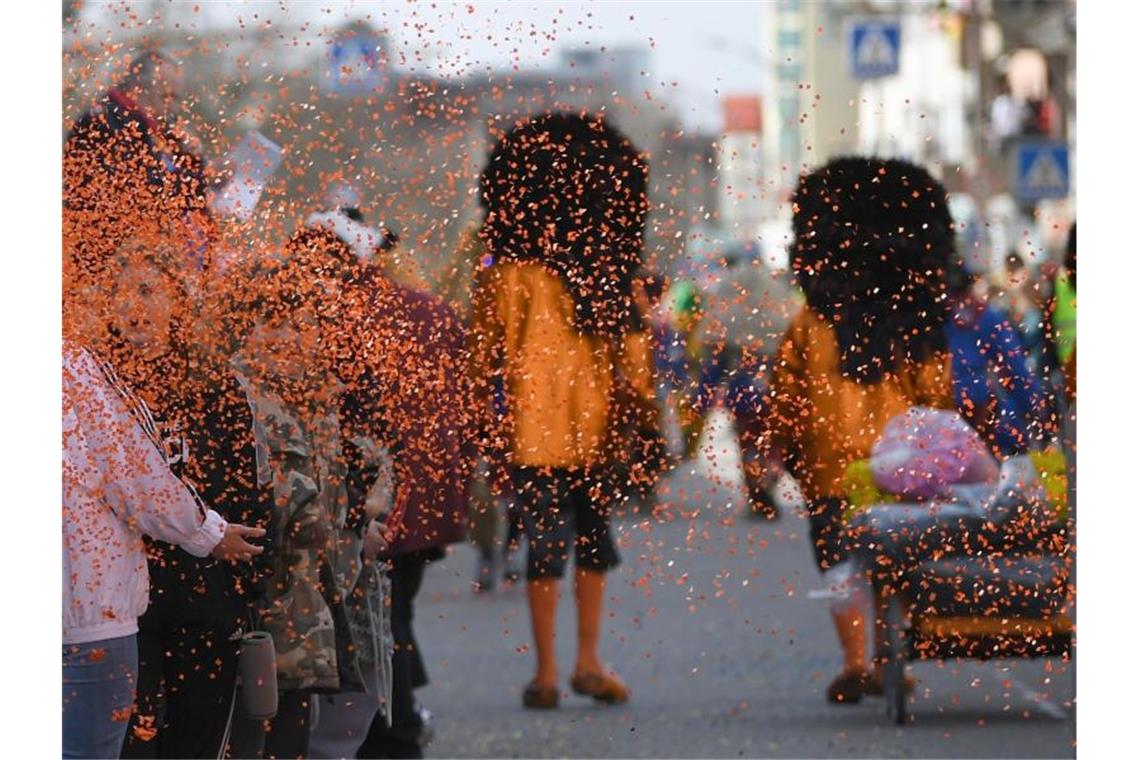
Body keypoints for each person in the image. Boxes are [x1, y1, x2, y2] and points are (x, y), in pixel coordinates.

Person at [469, 112, 657, 709]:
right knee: (596, 541)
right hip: (598, 431)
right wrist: (647, 424)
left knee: (544, 545)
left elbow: (480, 354)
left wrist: (477, 420)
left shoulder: (509, 276)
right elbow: (636, 366)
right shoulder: (613, 277)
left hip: (531, 432)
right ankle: (587, 659)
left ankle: (547, 671)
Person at [62, 236, 265, 759]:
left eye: (150, 291)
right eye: (121, 294)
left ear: (178, 300)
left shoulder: (214, 387)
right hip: (131, 611)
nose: (136, 307)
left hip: (206, 604)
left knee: (197, 746)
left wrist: (247, 592)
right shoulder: (93, 386)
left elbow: (246, 492)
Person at [767, 157, 958, 704]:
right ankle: (888, 651)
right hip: (900, 463)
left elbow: (785, 392)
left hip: (829, 464)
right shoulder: (915, 321)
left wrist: (780, 449)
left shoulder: (810, 322)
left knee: (838, 558)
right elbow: (935, 394)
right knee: (895, 554)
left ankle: (855, 661)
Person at [64, 50, 213, 278]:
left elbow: (178, 192)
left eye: (176, 98)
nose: (172, 109)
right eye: (165, 96)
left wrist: (195, 164)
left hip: (132, 267)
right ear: (138, 87)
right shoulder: (103, 122)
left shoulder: (147, 130)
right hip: (96, 273)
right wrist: (190, 176)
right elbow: (140, 191)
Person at [691, 244, 800, 519]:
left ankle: (757, 488)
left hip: (742, 390)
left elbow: (714, 358)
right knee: (774, 443)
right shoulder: (779, 296)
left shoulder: (727, 296)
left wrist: (703, 397)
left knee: (749, 443)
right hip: (776, 389)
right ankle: (767, 481)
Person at [945, 258, 1047, 457]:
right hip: (989, 418)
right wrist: (1037, 411)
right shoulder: (987, 316)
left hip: (946, 423)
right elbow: (1016, 368)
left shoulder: (935, 319)